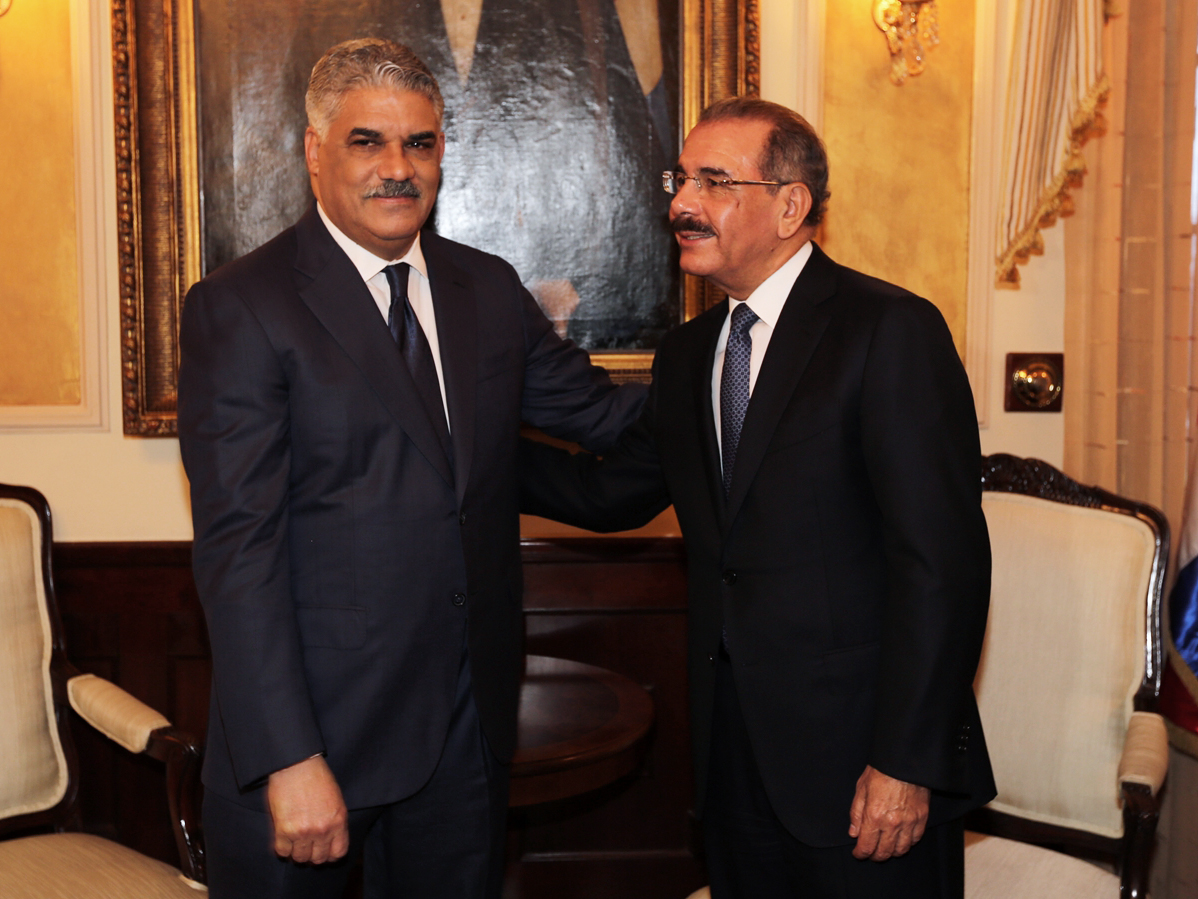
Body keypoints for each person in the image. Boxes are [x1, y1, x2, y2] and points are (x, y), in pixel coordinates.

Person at [177, 38, 645, 899]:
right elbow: (239, 552)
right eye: (368, 142)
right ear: (315, 151)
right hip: (315, 742)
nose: (398, 168)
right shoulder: (242, 306)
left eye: (419, 144)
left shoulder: (486, 289)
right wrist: (289, 756)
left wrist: (747, 368)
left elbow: (604, 417)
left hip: (464, 736)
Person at [519, 97, 996, 898]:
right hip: (732, 763)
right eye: (680, 179)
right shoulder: (689, 353)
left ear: (789, 206)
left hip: (864, 765)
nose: (682, 201)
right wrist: (467, 446)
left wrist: (905, 762)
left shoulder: (888, 330)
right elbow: (607, 493)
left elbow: (941, 567)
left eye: (714, 181)